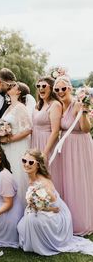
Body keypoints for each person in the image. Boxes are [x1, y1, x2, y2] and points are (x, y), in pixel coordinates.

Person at [18, 149, 93, 256]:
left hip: (57, 215)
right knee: (21, 225)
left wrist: (37, 206)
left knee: (31, 219)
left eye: (31, 162)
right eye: (24, 160)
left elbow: (56, 208)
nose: (26, 164)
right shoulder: (31, 176)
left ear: (38, 165)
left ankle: (42, 245)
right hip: (43, 208)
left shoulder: (43, 183)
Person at [50, 75, 93, 235]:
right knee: (68, 182)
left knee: (80, 182)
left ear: (70, 89)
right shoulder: (59, 106)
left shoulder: (77, 105)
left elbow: (86, 128)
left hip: (81, 146)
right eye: (57, 89)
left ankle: (82, 222)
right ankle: (69, 218)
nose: (60, 92)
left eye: (63, 89)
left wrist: (84, 111)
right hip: (67, 147)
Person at [0, 82, 32, 206]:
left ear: (19, 92)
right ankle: (7, 204)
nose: (10, 87)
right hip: (7, 147)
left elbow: (28, 129)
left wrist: (9, 139)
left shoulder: (20, 107)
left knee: (17, 174)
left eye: (13, 86)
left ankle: (20, 206)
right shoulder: (10, 107)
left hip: (17, 146)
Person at [31, 76, 62, 161]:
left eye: (44, 86)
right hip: (35, 141)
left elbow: (55, 132)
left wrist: (45, 152)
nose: (41, 88)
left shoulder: (55, 105)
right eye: (38, 86)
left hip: (46, 144)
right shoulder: (38, 105)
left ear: (51, 88)